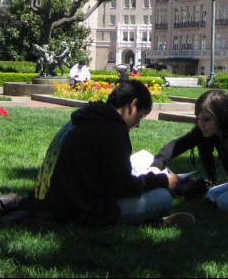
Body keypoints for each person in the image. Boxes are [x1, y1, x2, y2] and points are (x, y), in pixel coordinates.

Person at [31, 79, 194, 227]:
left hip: (56, 204)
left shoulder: (85, 119)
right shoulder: (113, 129)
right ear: (133, 105)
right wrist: (162, 181)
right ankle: (149, 221)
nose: (137, 125)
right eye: (141, 116)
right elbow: (123, 188)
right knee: (163, 197)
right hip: (82, 212)